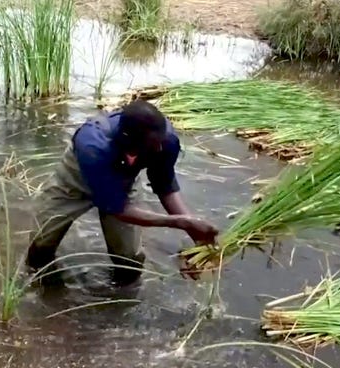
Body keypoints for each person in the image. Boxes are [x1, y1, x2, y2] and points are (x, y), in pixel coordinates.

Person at [25, 100, 219, 286]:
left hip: (123, 183)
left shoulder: (164, 140)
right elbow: (115, 207)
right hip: (74, 183)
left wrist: (193, 228)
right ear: (129, 141)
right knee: (40, 250)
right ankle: (44, 294)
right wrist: (178, 221)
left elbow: (164, 184)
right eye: (152, 145)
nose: (158, 149)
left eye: (160, 142)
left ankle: (120, 302)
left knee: (129, 262)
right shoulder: (93, 145)